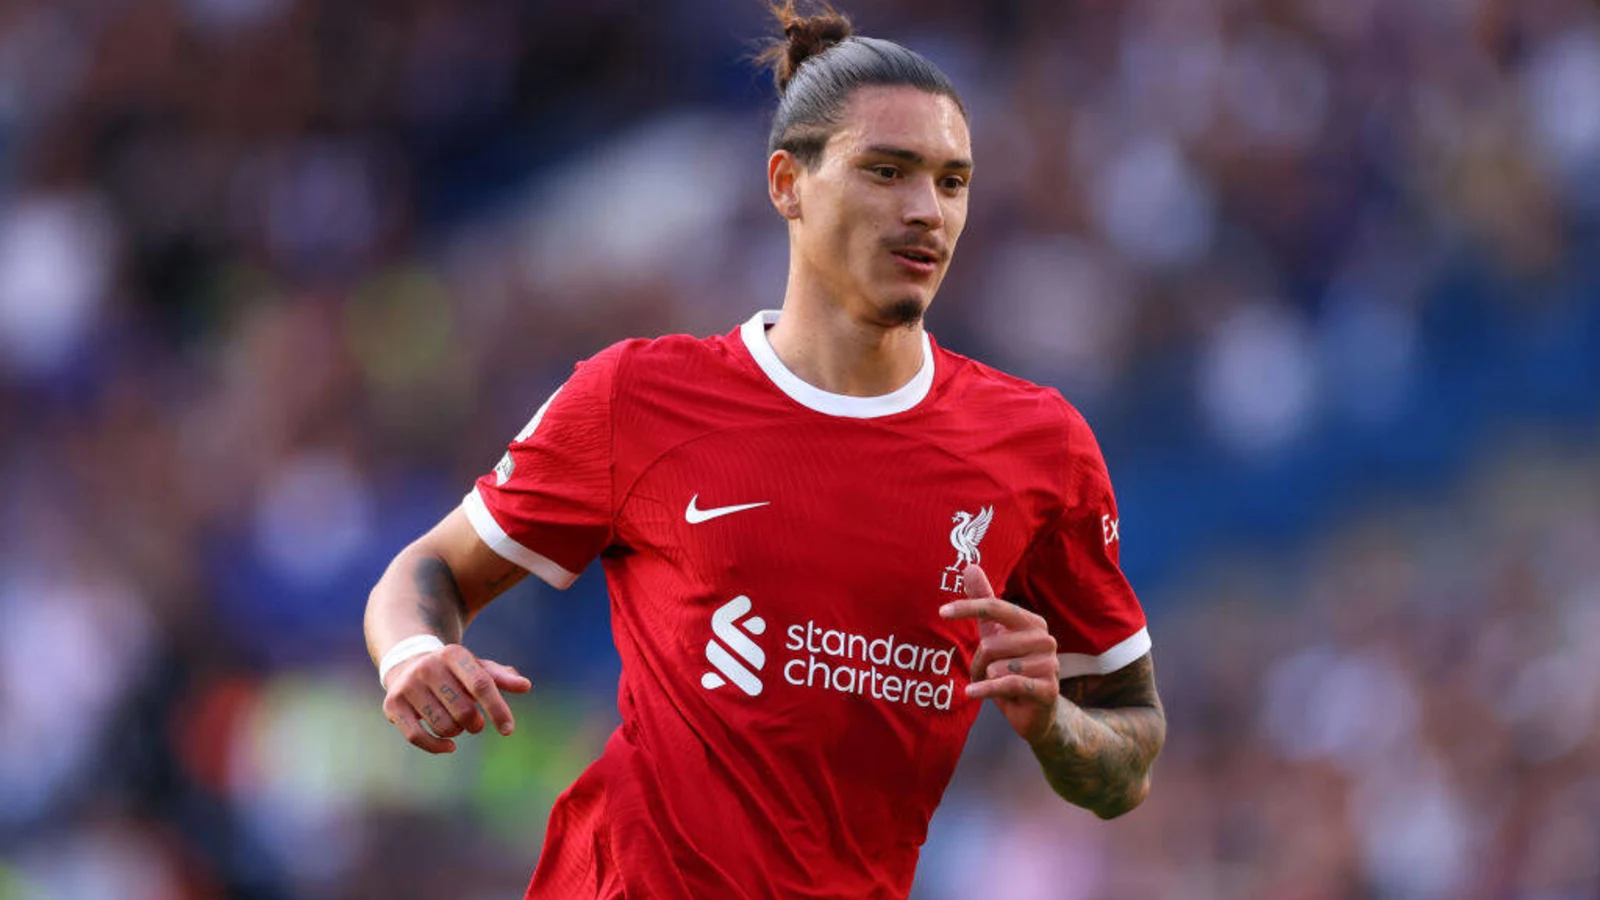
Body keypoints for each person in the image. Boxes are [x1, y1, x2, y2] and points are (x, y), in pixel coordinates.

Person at [363, 3, 1165, 897]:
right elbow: (430, 571)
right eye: (887, 171)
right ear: (788, 183)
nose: (926, 211)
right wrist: (415, 656)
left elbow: (1128, 759)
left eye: (952, 182)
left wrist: (1053, 722)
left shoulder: (1040, 448)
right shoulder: (638, 396)